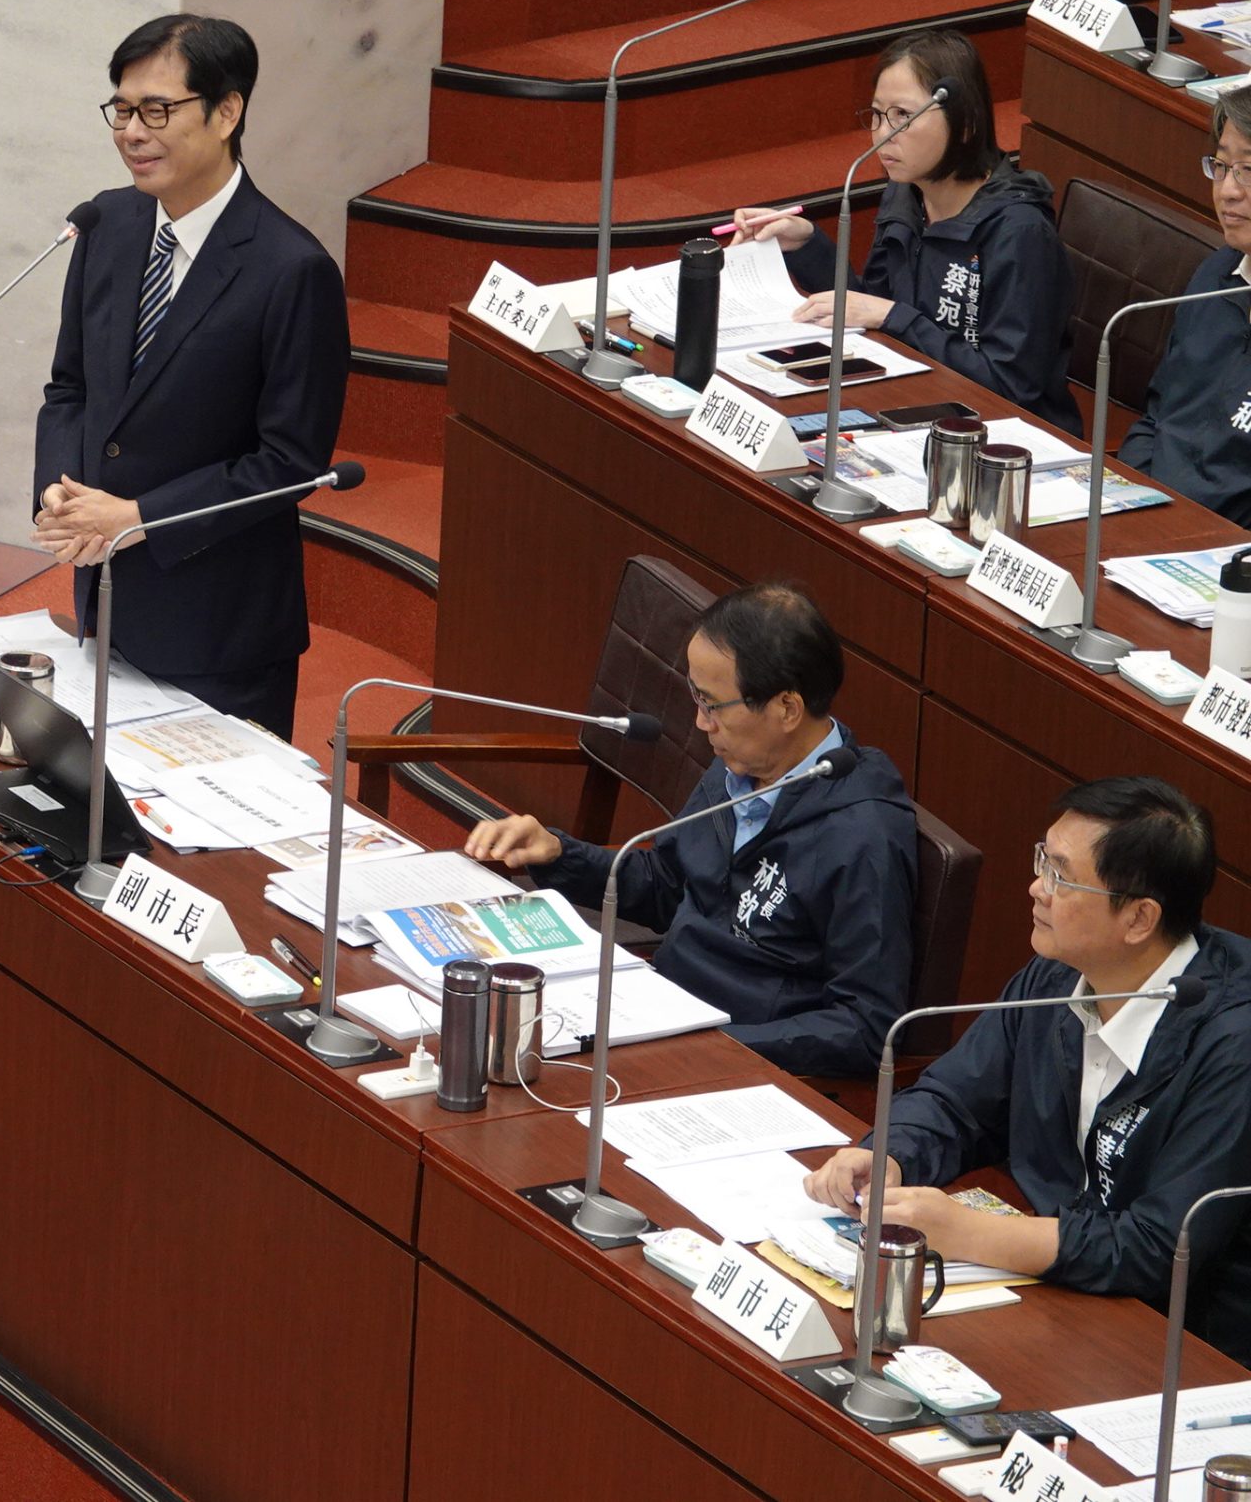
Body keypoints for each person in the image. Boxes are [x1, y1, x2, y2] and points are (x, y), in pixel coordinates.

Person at [803, 779, 1251, 1364]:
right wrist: (892, 1154)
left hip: (1187, 1347)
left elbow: (1163, 1247)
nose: (1036, 887)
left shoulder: (1232, 1043)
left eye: (1061, 876)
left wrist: (969, 1232)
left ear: (1139, 918)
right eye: (1043, 859)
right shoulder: (1058, 976)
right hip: (1062, 1294)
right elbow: (956, 1101)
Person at [29, 13, 349, 738]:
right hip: (107, 600)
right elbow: (70, 390)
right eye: (121, 109)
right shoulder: (106, 226)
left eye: (157, 110)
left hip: (219, 629)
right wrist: (58, 494)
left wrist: (140, 518)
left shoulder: (291, 269)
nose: (131, 132)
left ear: (227, 110)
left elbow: (290, 462)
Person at [462, 580, 916, 1078]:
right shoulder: (739, 765)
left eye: (712, 704)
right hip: (659, 1016)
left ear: (786, 708)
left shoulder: (863, 836)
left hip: (737, 1065)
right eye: (695, 697)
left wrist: (715, 1045)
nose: (700, 723)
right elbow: (668, 885)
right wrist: (557, 854)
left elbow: (864, 1028)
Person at [731, 28, 1076, 432]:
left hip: (1005, 435)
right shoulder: (906, 193)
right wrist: (806, 245)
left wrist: (897, 318)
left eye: (902, 116)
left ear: (965, 123)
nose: (882, 135)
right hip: (916, 407)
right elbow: (870, 309)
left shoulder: (1019, 233)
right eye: (878, 115)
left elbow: (1011, 386)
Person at [1117, 90, 1251, 523]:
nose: (1228, 191)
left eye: (1248, 170)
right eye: (1222, 166)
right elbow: (1157, 419)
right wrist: (1133, 504)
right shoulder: (1214, 275)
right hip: (1154, 519)